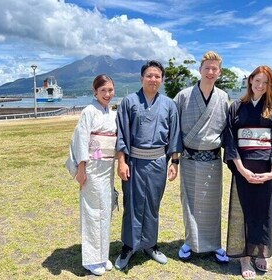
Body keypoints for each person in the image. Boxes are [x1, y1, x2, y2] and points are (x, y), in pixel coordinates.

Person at [114, 60, 182, 270]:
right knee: (132, 204)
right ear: (142, 77)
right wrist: (122, 162)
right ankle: (128, 246)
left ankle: (150, 245)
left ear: (162, 79)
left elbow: (175, 135)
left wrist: (175, 162)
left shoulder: (169, 104)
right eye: (149, 75)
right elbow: (121, 134)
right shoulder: (129, 102)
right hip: (134, 162)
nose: (153, 79)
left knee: (152, 205)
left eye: (157, 76)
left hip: (158, 162)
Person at [223, 66, 272, 280]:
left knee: (264, 211)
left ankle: (261, 251)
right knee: (243, 210)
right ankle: (244, 257)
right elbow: (230, 139)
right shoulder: (237, 107)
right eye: (257, 80)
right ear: (250, 81)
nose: (260, 85)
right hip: (243, 167)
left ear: (271, 85)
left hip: (266, 168)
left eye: (265, 82)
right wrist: (240, 168)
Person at [173, 51, 230, 263]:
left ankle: (215, 244)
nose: (211, 72)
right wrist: (175, 159)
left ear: (219, 72)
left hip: (213, 160)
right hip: (189, 158)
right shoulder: (183, 96)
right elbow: (175, 130)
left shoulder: (223, 97)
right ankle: (190, 242)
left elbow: (228, 131)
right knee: (189, 201)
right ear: (200, 70)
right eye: (207, 68)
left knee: (213, 203)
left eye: (215, 68)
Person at [69, 74, 117, 276]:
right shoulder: (89, 111)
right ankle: (91, 259)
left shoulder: (111, 112)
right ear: (95, 92)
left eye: (110, 90)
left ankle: (102, 255)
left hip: (107, 168)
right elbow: (81, 140)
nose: (107, 94)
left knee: (105, 211)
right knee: (92, 213)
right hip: (92, 168)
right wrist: (81, 170)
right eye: (103, 90)